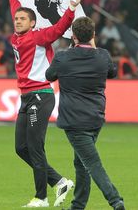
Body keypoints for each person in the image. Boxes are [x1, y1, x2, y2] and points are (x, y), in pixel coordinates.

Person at [8, 0, 79, 208]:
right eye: (16, 19)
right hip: (26, 97)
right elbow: (15, 9)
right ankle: (59, 181)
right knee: (21, 148)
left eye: (22, 19)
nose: (17, 21)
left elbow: (59, 29)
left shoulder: (39, 36)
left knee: (35, 147)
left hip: (41, 95)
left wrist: (71, 8)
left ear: (32, 23)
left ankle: (41, 198)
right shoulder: (16, 38)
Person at [45, 16, 125, 210]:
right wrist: (94, 46)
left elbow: (49, 76)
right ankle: (78, 206)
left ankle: (115, 200)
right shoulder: (103, 55)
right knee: (81, 163)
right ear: (93, 35)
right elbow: (112, 73)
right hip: (95, 117)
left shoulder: (63, 57)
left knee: (90, 163)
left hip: (74, 120)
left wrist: (72, 48)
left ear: (73, 36)